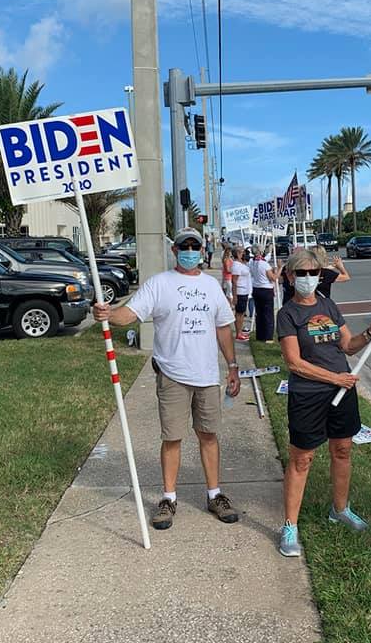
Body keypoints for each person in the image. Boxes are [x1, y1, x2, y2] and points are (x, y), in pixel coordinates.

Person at [92, 227, 242, 530]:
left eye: (194, 246)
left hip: (207, 376)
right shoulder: (159, 284)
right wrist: (107, 314)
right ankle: (168, 498)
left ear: (202, 251)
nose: (189, 251)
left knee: (209, 435)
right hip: (172, 375)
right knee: (172, 437)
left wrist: (233, 366)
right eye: (184, 246)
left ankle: (215, 495)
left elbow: (224, 328)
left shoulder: (212, 286)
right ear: (174, 251)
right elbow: (131, 314)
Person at [275, 248, 371, 557]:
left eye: (313, 273)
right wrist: (334, 379)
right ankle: (290, 526)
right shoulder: (287, 314)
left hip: (341, 392)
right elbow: (294, 363)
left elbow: (348, 346)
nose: (307, 278)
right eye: (300, 273)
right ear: (289, 277)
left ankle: (339, 509)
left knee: (342, 450)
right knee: (302, 460)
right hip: (310, 395)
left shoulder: (328, 305)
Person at [279, 246, 351, 302]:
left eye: (314, 273)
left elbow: (279, 280)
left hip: (293, 303)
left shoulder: (289, 269)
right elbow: (346, 277)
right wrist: (340, 267)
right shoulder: (326, 272)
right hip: (320, 304)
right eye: (301, 273)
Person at [248, 245, 278, 342]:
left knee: (259, 313)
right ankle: (268, 336)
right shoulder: (264, 264)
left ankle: (260, 335)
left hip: (256, 288)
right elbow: (273, 278)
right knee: (268, 314)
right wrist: (279, 269)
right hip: (266, 289)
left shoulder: (251, 262)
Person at [230, 246, 252, 341]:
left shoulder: (241, 264)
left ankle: (240, 331)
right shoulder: (236, 266)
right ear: (238, 254)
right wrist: (234, 296)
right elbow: (234, 281)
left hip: (244, 292)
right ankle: (238, 333)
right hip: (240, 292)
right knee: (239, 313)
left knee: (242, 313)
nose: (244, 254)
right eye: (242, 252)